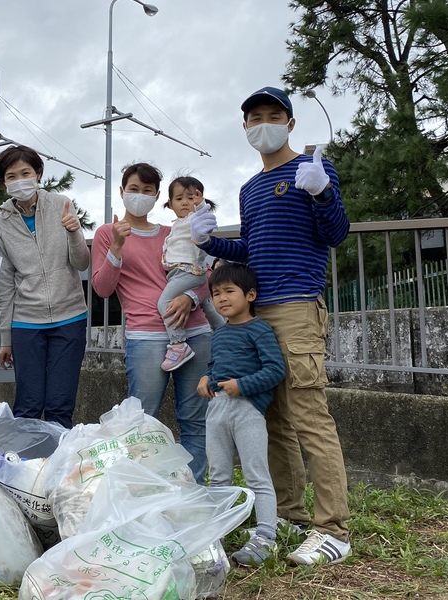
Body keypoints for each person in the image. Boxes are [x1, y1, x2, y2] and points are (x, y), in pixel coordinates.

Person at [190, 86, 352, 565]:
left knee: (309, 417)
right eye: (254, 117)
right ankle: (290, 514)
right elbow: (254, 252)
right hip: (258, 314)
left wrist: (322, 193)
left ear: (290, 123)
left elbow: (335, 233)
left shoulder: (312, 172)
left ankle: (333, 529)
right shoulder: (250, 188)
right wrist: (213, 243)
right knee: (273, 420)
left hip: (298, 307)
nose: (263, 123)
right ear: (244, 128)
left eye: (272, 115)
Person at [91, 162, 211, 483]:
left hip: (195, 330)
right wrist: (117, 246)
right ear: (122, 192)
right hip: (146, 337)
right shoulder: (107, 233)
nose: (140, 195)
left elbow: (205, 274)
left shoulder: (176, 231)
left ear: (159, 198)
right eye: (134, 189)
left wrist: (191, 299)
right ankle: (142, 492)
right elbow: (102, 288)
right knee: (140, 422)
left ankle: (192, 493)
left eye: (147, 191)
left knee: (195, 421)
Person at [0, 145, 90, 428]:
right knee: (28, 406)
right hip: (26, 322)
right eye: (11, 176)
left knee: (60, 405)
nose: (19, 180)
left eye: (26, 173)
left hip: (70, 317)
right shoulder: (0, 223)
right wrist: (5, 338)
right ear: (4, 182)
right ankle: (27, 470)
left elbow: (82, 263)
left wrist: (73, 233)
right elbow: (4, 281)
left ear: (39, 175)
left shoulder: (61, 205)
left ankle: (58, 469)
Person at [196, 262, 285, 566]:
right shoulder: (220, 334)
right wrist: (206, 378)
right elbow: (215, 365)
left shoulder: (259, 329)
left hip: (248, 410)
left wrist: (243, 386)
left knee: (256, 475)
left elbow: (275, 369)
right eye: (216, 293)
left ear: (250, 295)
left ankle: (265, 537)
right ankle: (214, 536)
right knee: (218, 476)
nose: (221, 298)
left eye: (229, 291)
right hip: (217, 409)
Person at [158, 176, 225, 371]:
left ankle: (178, 345)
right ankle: (225, 331)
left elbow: (205, 220)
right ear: (170, 204)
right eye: (179, 199)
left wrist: (201, 205)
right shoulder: (177, 224)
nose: (185, 202)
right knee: (206, 306)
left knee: (163, 303)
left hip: (188, 271)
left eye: (191, 197)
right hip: (182, 272)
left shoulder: (195, 219)